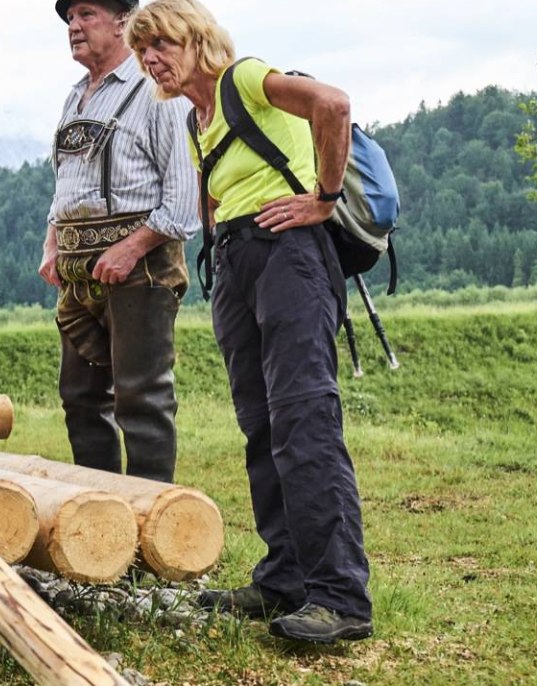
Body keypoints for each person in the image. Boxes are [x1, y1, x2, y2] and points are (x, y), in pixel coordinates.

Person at [128, 0, 372, 644]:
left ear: (196, 38)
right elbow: (212, 194)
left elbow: (334, 104)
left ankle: (340, 598)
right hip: (237, 260)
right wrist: (221, 243)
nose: (151, 58)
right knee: (261, 424)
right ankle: (285, 579)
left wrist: (322, 198)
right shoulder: (193, 117)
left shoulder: (242, 79)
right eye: (142, 50)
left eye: (162, 44)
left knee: (303, 420)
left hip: (290, 255)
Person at [42, 0, 198, 484]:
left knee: (141, 398)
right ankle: (98, 526)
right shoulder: (75, 98)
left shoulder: (158, 92)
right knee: (81, 399)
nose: (74, 26)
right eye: (70, 18)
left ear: (123, 22)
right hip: (78, 271)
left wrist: (131, 247)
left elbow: (184, 193)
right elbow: (67, 183)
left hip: (141, 268)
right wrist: (53, 243)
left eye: (87, 14)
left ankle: (156, 528)